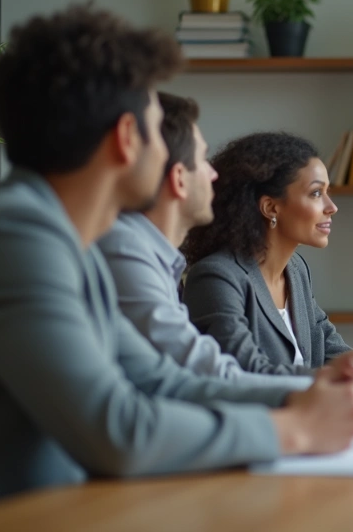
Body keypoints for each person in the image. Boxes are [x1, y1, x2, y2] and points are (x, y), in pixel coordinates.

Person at [0, 4, 353, 503]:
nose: (173, 156)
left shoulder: (70, 240)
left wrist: (309, 395)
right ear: (127, 139)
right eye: (159, 128)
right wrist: (296, 430)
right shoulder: (18, 234)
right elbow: (118, 431)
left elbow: (159, 378)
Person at [180, 132, 353, 399]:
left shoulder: (296, 270)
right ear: (270, 207)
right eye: (316, 193)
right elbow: (246, 372)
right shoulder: (216, 278)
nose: (332, 207)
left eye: (328, 193)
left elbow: (330, 353)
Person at [98, 93, 314, 390]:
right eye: (202, 159)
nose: (214, 174)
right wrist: (334, 385)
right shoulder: (128, 255)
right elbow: (216, 374)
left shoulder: (162, 263)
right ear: (178, 178)